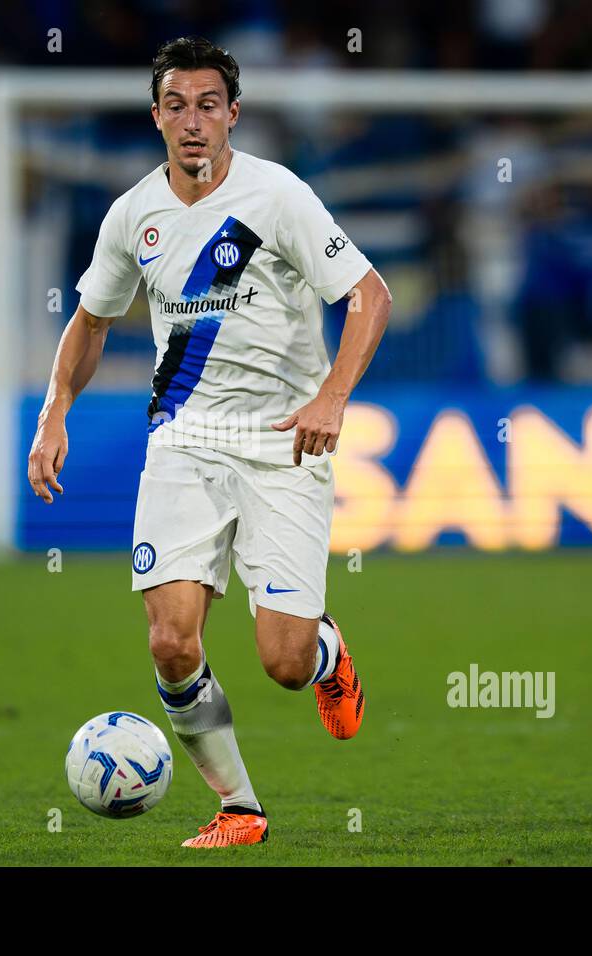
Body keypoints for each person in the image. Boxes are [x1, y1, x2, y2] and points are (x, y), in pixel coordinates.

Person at [27, 36, 392, 848]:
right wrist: (56, 413)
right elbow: (90, 321)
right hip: (183, 441)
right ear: (156, 116)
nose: (193, 122)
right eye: (177, 106)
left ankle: (327, 653)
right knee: (170, 640)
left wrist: (333, 396)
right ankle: (239, 808)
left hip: (284, 440)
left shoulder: (279, 196)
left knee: (284, 662)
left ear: (233, 114)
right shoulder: (132, 215)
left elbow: (369, 294)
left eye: (208, 105)